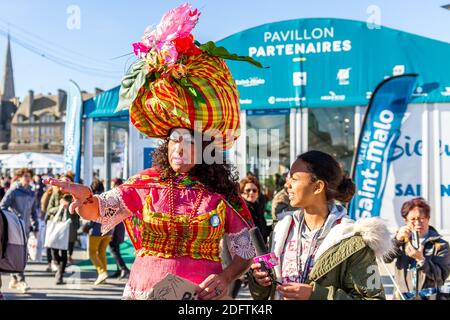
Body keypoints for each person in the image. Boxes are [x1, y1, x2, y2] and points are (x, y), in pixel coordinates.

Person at [44, 3, 259, 300]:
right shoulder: (146, 183)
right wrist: (85, 198)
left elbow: (245, 252)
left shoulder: (223, 192)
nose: (179, 148)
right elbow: (100, 209)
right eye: (173, 140)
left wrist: (225, 277)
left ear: (206, 148)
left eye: (189, 141)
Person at [249, 150, 391, 300]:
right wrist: (259, 282)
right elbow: (265, 295)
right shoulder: (281, 230)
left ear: (318, 187)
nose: (287, 184)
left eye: (294, 178)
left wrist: (315, 295)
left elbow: (373, 298)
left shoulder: (352, 240)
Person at [383, 197, 450, 300]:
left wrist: (421, 260)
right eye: (413, 219)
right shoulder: (401, 240)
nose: (418, 223)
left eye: (422, 218)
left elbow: (441, 277)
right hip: (402, 297)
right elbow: (385, 258)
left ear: (428, 219)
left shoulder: (440, 245)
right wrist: (397, 241)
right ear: (405, 221)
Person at [0, 168, 39, 293]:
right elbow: (2, 206)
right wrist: (13, 218)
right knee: (17, 254)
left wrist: (36, 225)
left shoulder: (32, 192)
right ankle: (21, 281)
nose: (27, 178)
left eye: (29, 176)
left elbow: (33, 211)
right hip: (14, 228)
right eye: (25, 176)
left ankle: (14, 280)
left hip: (25, 228)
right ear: (20, 177)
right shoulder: (14, 190)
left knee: (18, 254)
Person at [84, 179, 113, 285]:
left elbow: (92, 216)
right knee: (102, 253)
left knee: (92, 253)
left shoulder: (94, 199)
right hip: (108, 231)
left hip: (96, 231)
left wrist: (87, 226)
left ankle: (101, 272)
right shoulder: (108, 198)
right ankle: (103, 275)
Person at [108, 178, 131, 280]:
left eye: (113, 184)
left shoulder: (117, 196)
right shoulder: (121, 195)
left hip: (116, 226)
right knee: (115, 249)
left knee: (113, 249)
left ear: (117, 185)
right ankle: (119, 270)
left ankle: (124, 269)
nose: (111, 186)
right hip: (118, 225)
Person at [240, 175, 269, 243]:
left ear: (258, 193)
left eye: (254, 190)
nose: (251, 192)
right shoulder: (240, 209)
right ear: (241, 192)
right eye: (248, 190)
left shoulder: (258, 207)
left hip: (261, 248)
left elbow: (262, 230)